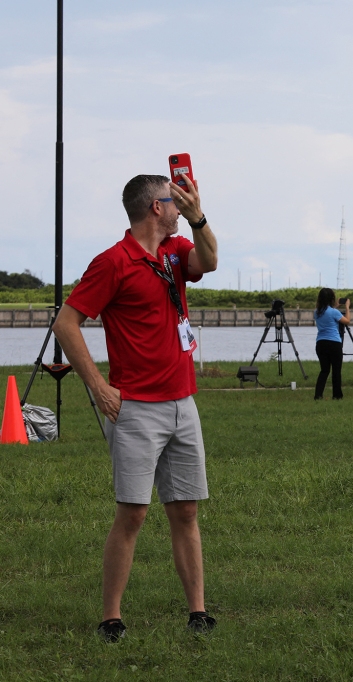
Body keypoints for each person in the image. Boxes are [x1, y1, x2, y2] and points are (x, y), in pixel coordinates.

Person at [52, 172, 219, 642]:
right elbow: (66, 323)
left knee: (185, 510)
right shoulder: (113, 262)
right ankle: (110, 617)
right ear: (155, 209)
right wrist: (99, 387)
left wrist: (199, 217)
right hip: (137, 409)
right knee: (133, 513)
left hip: (183, 403)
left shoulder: (175, 252)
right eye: (173, 199)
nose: (179, 204)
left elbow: (210, 260)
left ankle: (198, 612)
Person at [313, 288, 350, 400]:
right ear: (332, 298)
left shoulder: (317, 312)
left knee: (324, 370)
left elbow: (327, 313)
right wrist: (347, 308)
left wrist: (336, 307)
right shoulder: (334, 312)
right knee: (336, 370)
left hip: (320, 343)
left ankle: (318, 395)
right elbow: (347, 321)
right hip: (334, 343)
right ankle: (337, 395)